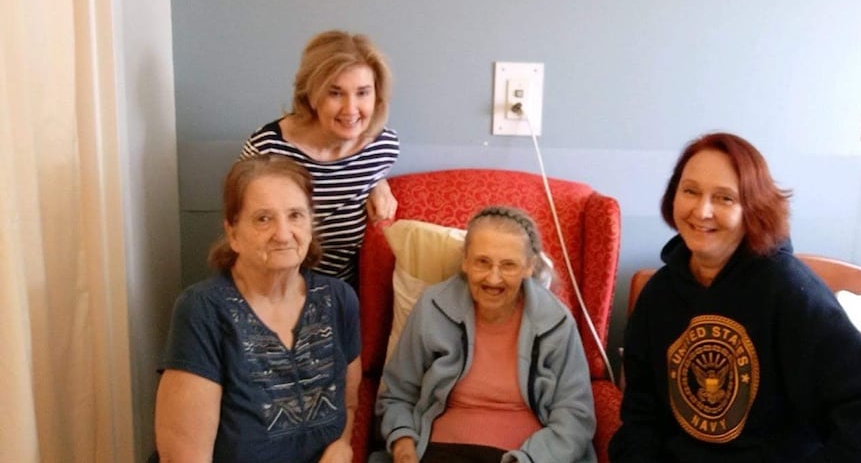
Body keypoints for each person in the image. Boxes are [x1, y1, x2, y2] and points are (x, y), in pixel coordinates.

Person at [610, 132, 861, 462]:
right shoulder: (657, 296)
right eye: (690, 191)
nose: (702, 211)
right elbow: (641, 417)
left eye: (724, 198)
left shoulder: (790, 292)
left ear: (753, 209)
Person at [155, 155, 361, 463]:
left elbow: (348, 406)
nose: (282, 233)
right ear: (233, 233)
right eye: (263, 218)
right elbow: (183, 457)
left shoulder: (339, 299)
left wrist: (342, 446)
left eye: (295, 215)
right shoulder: (203, 311)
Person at [372, 206, 597, 463]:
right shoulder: (432, 307)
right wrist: (403, 446)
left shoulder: (555, 321)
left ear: (529, 267)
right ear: (465, 261)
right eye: (482, 262)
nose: (493, 278)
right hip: (438, 451)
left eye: (509, 265)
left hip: (526, 456)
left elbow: (575, 414)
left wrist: (529, 459)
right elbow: (397, 393)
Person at [241, 29, 399, 286]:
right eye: (335, 93)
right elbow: (243, 230)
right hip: (270, 287)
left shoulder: (381, 149)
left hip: (339, 296)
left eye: (363, 92)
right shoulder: (268, 147)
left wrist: (380, 183)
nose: (351, 109)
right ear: (311, 94)